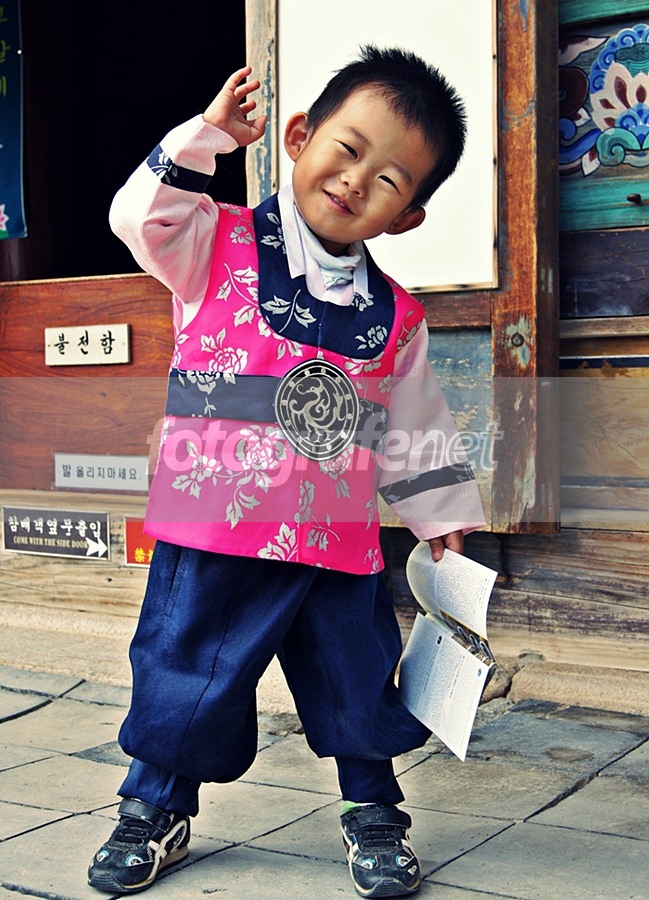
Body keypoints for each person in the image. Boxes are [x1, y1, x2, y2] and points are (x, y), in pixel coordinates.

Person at [88, 45, 485, 898]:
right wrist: (206, 138)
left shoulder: (396, 319)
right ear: (300, 137)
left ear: (406, 216)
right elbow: (136, 215)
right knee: (184, 672)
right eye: (347, 149)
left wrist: (439, 514)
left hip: (336, 544)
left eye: (388, 179)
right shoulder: (210, 243)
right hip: (213, 531)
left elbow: (415, 423)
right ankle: (153, 807)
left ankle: (372, 812)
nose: (354, 181)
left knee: (356, 679)